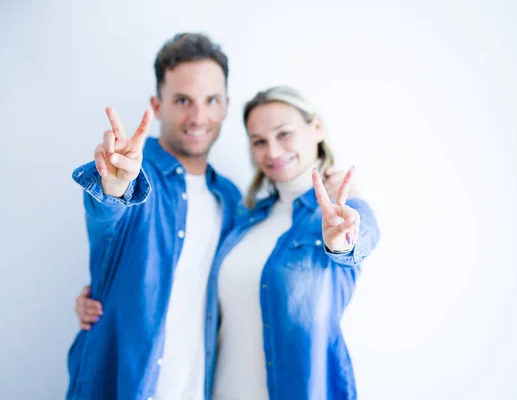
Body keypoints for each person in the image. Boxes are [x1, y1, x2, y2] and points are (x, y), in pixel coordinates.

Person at [67, 33, 350, 400]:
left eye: (211, 100)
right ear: (157, 104)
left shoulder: (232, 201)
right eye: (183, 100)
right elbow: (106, 217)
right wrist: (116, 187)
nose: (198, 117)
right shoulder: (132, 176)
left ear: (226, 105)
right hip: (120, 387)